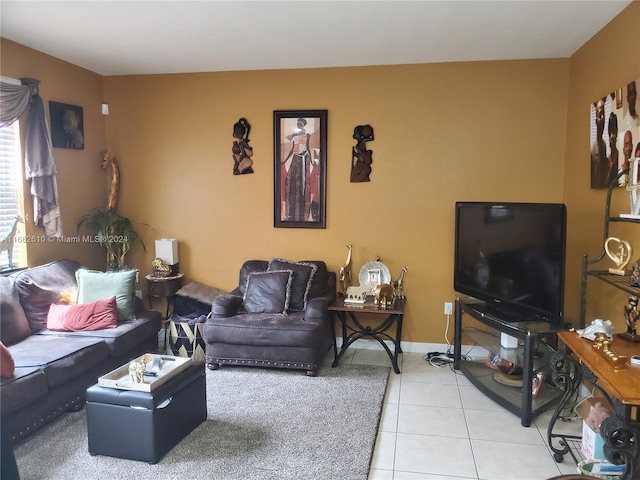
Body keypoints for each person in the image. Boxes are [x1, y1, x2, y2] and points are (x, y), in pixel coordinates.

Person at [282, 118, 312, 222]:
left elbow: (307, 148)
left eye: (300, 123)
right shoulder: (294, 136)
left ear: (303, 125)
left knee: (303, 184)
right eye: (298, 123)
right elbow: (292, 149)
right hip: (295, 158)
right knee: (293, 182)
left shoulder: (307, 135)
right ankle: (292, 213)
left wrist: (312, 160)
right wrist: (285, 160)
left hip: (304, 159)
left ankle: (302, 214)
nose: (299, 125)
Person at [590, 98, 607, 188]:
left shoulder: (604, 145)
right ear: (596, 120)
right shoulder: (591, 148)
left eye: (604, 114)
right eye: (600, 115)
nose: (603, 118)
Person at [605, 111, 620, 187]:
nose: (611, 136)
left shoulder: (620, 159)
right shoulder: (606, 160)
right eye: (609, 132)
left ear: (617, 132)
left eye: (613, 132)